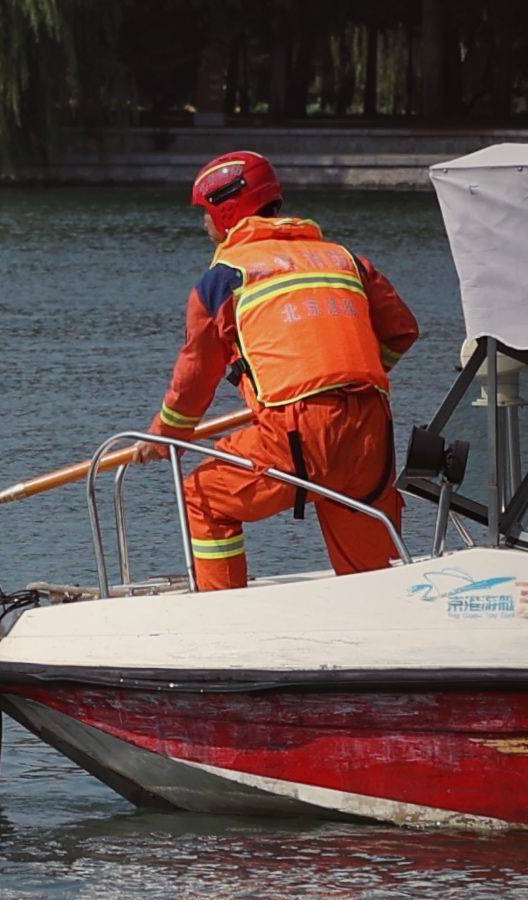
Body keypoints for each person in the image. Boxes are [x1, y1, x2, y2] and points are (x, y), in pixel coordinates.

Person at [154, 150, 420, 592]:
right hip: (371, 429)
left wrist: (167, 435)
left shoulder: (225, 279)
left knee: (202, 497)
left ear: (225, 209)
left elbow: (196, 375)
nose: (205, 227)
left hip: (295, 432)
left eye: (205, 215)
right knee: (372, 582)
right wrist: (353, 375)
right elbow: (401, 332)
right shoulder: (345, 259)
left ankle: (221, 613)